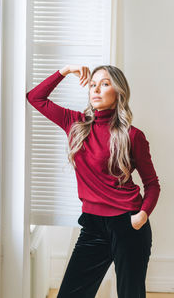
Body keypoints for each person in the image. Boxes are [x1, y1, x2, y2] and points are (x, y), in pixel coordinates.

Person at [26, 64, 161, 298]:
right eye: (92, 84)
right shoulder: (75, 124)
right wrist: (65, 71)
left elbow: (152, 184)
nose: (96, 89)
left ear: (118, 92)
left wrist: (142, 215)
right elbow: (35, 98)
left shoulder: (132, 136)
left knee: (131, 294)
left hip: (128, 224)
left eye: (105, 84)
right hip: (93, 226)